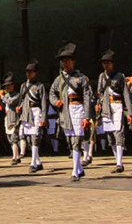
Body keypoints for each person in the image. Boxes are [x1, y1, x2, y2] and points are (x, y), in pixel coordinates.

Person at [50, 43, 93, 182]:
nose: (65, 63)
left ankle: (75, 170)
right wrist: (56, 101)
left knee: (76, 140)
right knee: (70, 140)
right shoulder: (59, 79)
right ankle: (79, 168)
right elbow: (52, 93)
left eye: (68, 60)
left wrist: (87, 116)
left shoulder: (81, 78)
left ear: (73, 61)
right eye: (63, 60)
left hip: (78, 109)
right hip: (66, 112)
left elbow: (87, 97)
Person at [96, 50, 132, 173]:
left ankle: (120, 162)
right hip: (106, 106)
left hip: (117, 105)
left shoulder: (120, 76)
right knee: (110, 135)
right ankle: (117, 160)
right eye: (104, 63)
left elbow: (126, 94)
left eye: (108, 62)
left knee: (118, 132)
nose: (106, 65)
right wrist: (98, 105)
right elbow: (100, 92)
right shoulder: (101, 77)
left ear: (113, 63)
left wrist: (130, 112)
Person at [17, 60, 48, 173]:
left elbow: (44, 102)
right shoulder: (23, 86)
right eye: (27, 72)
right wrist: (19, 107)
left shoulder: (40, 86)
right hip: (26, 112)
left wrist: (44, 118)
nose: (29, 74)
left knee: (35, 137)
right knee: (29, 139)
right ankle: (38, 162)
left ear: (35, 73)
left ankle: (33, 162)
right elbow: (22, 99)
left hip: (36, 112)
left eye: (31, 72)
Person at [0, 72, 21, 165]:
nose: (7, 88)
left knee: (14, 138)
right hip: (7, 118)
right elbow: (3, 105)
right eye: (5, 86)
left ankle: (16, 156)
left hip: (14, 119)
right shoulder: (6, 96)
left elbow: (10, 102)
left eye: (8, 86)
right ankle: (15, 155)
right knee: (9, 138)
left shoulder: (17, 95)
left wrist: (2, 96)